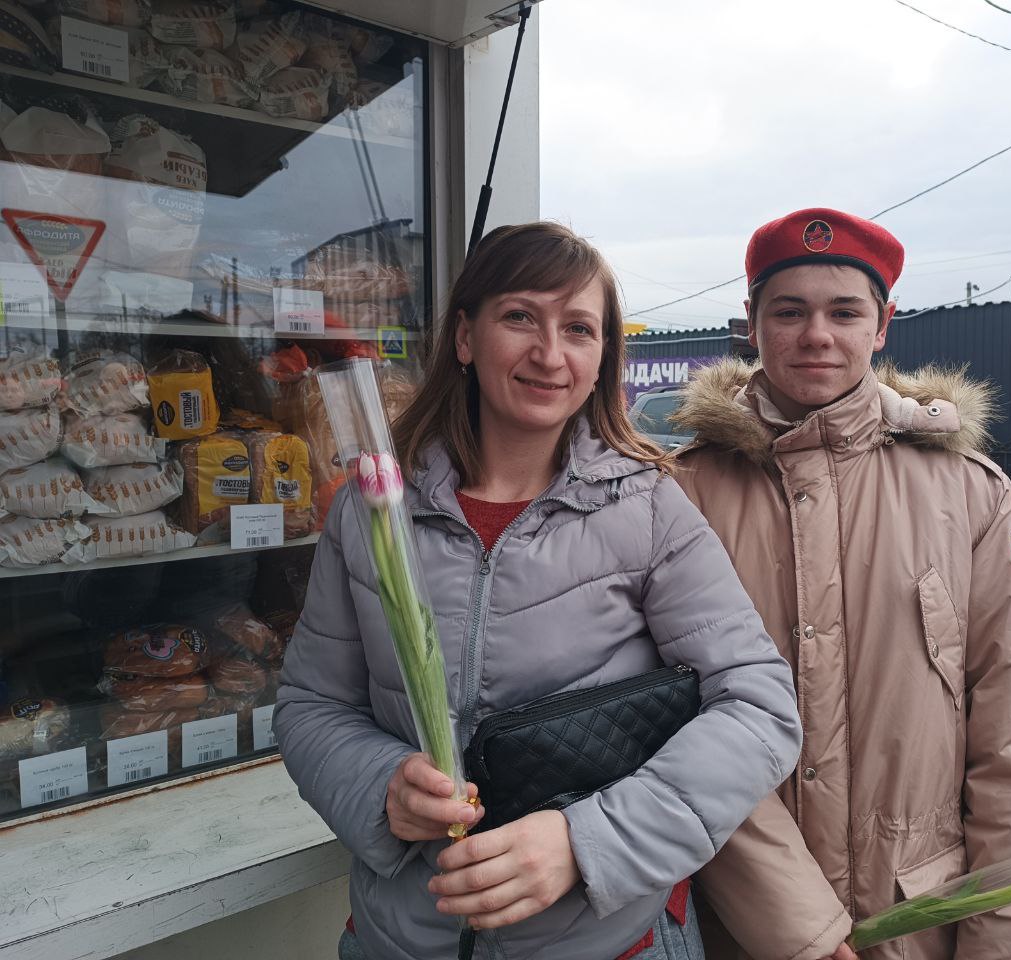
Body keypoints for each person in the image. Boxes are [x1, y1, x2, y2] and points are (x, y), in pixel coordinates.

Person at [273, 221, 803, 960]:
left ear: (602, 357)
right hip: (404, 939)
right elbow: (311, 704)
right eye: (520, 316)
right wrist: (379, 786)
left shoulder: (649, 509)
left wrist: (588, 843)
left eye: (578, 329)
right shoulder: (372, 512)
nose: (550, 354)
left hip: (610, 942)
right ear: (466, 337)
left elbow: (759, 706)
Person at [671, 208, 1011, 960]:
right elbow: (670, 725)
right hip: (736, 928)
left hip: (915, 923)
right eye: (789, 311)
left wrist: (1005, 945)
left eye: (844, 312)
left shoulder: (970, 493)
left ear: (883, 325)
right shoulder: (680, 494)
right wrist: (796, 927)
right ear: (751, 322)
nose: (816, 335)